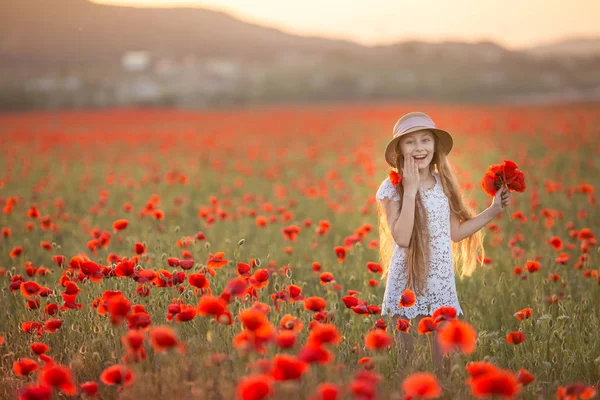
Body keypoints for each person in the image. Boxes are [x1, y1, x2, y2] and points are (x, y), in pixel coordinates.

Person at [375, 111, 511, 374]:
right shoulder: (392, 187)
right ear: (400, 150)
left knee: (444, 362)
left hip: (440, 279)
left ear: (435, 146)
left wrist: (493, 210)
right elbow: (402, 237)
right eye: (410, 142)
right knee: (406, 360)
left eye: (425, 140)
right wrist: (411, 188)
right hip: (407, 280)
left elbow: (457, 233)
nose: (419, 148)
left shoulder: (442, 183)